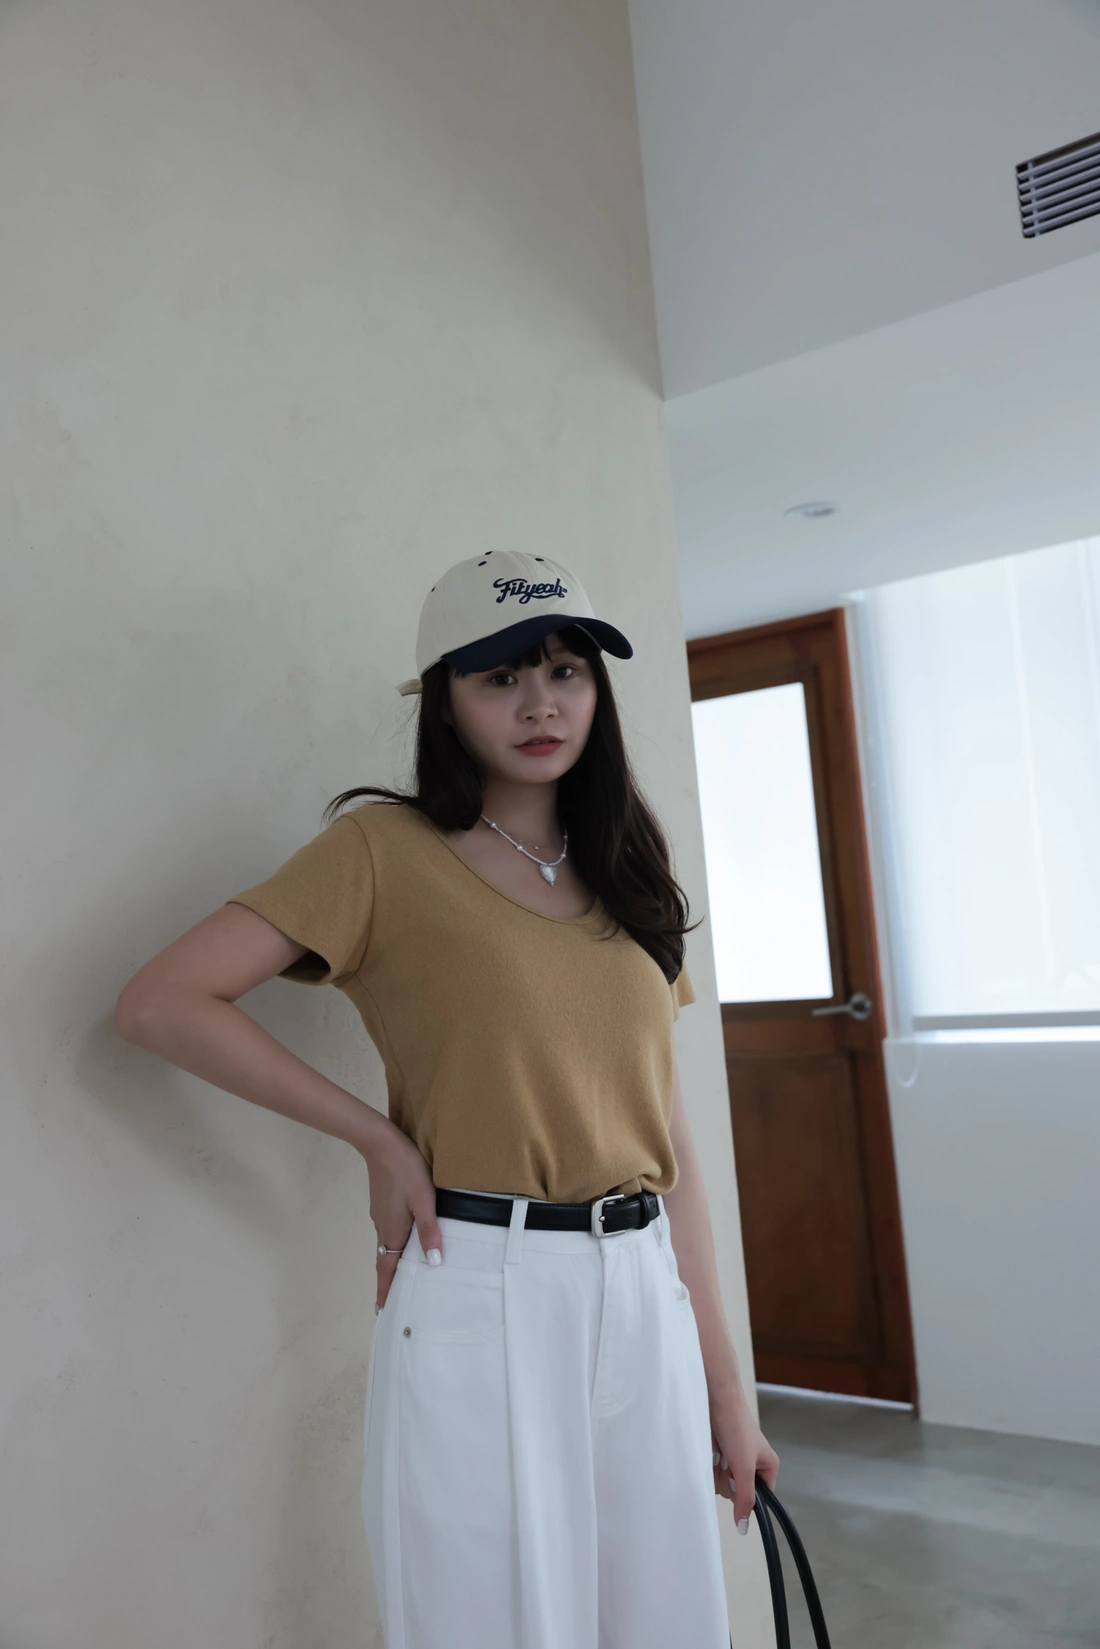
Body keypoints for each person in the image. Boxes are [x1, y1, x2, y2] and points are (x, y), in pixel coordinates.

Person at [115, 549, 779, 1649]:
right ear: (444, 699)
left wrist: (726, 1390)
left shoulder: (625, 863)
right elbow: (161, 1001)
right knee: (494, 1623)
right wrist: (378, 1138)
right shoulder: (382, 852)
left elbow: (670, 1148)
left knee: (667, 1625)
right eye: (499, 675)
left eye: (565, 670)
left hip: (642, 1288)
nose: (539, 703)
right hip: (481, 1284)